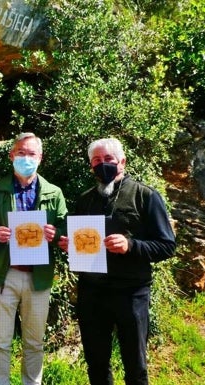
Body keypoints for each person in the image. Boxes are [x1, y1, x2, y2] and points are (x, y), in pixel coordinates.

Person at [58, 137, 176, 385]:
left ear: (122, 161)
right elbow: (81, 242)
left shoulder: (145, 196)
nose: (103, 165)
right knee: (96, 363)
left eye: (108, 159)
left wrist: (131, 245)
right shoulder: (85, 199)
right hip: (92, 292)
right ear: (91, 166)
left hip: (131, 293)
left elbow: (167, 246)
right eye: (96, 161)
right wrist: (72, 245)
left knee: (135, 364)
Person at [0, 132, 68, 385]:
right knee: (0, 341)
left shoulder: (54, 193)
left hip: (38, 278)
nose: (26, 158)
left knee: (34, 342)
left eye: (31, 153)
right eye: (21, 152)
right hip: (3, 274)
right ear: (11, 155)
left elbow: (67, 233)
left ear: (40, 158)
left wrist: (56, 235)